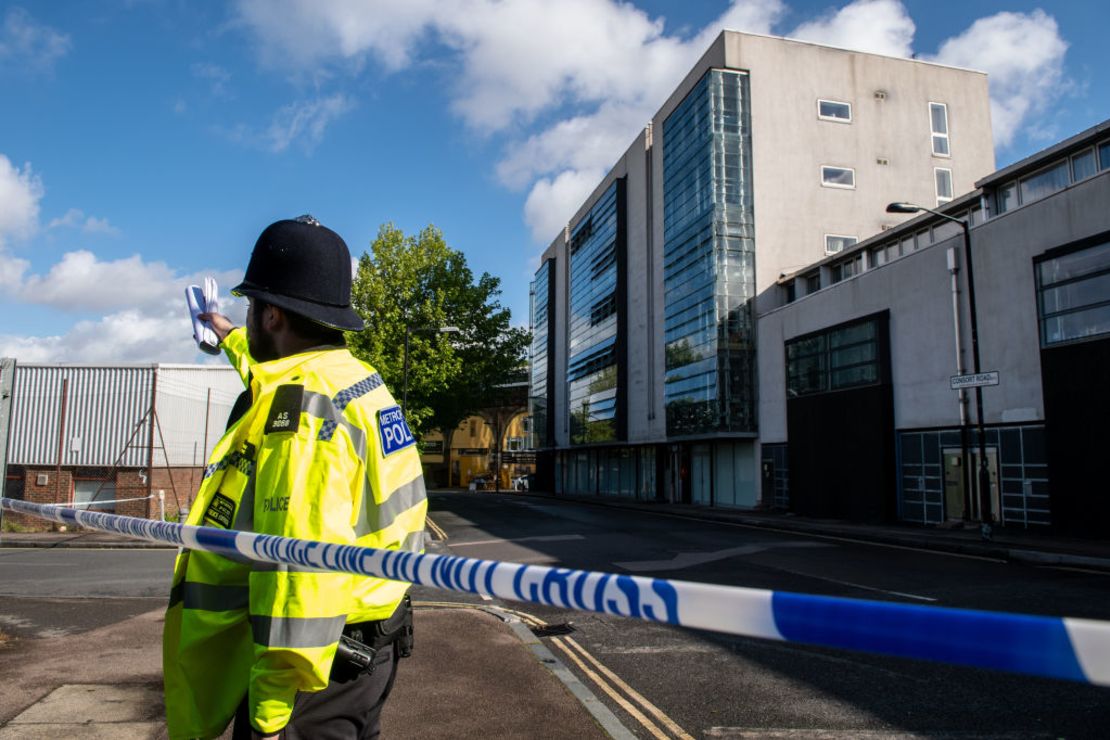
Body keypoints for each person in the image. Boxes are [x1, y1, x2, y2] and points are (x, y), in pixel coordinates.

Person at [163, 215, 427, 740]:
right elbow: (264, 366)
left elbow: (297, 576)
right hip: (368, 647)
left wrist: (269, 718)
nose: (250, 315)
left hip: (312, 673)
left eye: (252, 307)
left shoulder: (302, 414)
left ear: (275, 316)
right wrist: (224, 331)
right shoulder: (354, 380)